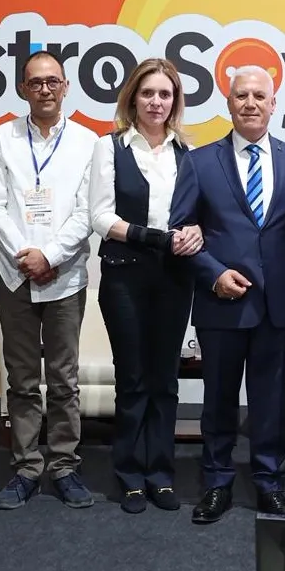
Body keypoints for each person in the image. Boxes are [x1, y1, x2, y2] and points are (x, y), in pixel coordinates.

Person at [167, 65, 285, 525]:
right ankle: (216, 482)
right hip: (221, 302)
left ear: (273, 104)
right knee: (218, 400)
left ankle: (269, 483)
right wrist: (213, 274)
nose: (250, 103)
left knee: (271, 402)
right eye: (241, 96)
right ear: (229, 103)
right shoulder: (198, 161)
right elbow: (181, 231)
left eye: (259, 96)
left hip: (279, 304)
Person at [0, 50, 99, 510]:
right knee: (22, 379)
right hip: (14, 275)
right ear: (23, 89)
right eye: (35, 82)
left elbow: (88, 211)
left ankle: (65, 465)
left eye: (53, 81)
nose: (45, 89)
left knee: (64, 379)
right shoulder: (2, 139)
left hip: (65, 277)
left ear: (65, 86)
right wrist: (26, 256)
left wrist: (49, 255)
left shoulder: (88, 142)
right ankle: (27, 467)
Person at [88, 59, 203, 513]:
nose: (156, 102)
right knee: (133, 379)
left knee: (165, 380)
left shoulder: (188, 153)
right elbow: (101, 217)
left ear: (175, 102)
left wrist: (196, 232)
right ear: (132, 98)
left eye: (165, 94)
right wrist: (153, 237)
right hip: (124, 276)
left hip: (174, 277)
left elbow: (197, 214)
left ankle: (161, 474)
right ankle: (130, 475)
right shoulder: (110, 146)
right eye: (148, 93)